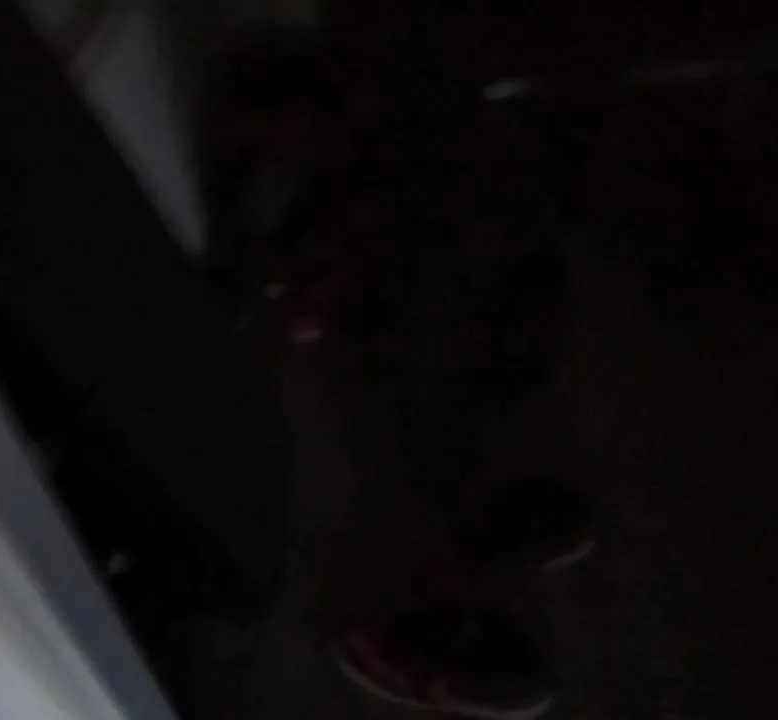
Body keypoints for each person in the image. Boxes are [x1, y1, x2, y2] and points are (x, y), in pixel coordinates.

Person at [204, 28, 595, 720]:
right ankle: (464, 597)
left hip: (458, 324)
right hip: (451, 320)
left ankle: (447, 620)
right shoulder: (400, 185)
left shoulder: (425, 184)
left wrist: (325, 280)